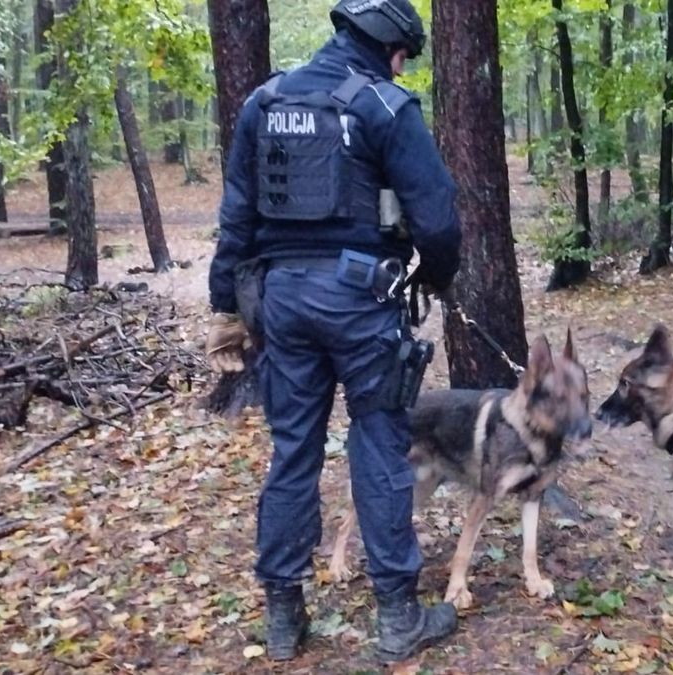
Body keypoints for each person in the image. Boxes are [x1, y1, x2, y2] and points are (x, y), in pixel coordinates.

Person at [205, 0, 462, 662]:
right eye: (404, 55)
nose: (402, 67)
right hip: (360, 301)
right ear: (388, 46)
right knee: (379, 447)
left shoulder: (264, 102)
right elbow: (436, 219)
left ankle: (285, 617)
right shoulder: (385, 108)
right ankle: (398, 616)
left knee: (294, 449)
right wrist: (434, 276)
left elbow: (236, 215)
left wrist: (225, 308)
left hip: (280, 303)